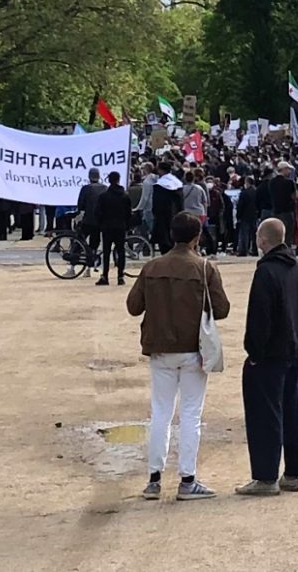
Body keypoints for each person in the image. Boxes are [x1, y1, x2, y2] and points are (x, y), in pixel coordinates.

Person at [126, 212, 229, 501]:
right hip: (193, 348)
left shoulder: (152, 267)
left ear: (171, 235)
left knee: (160, 412)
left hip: (160, 347)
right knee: (191, 414)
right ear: (197, 237)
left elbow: (134, 306)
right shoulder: (204, 268)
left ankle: (154, 478)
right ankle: (187, 479)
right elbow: (221, 310)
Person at [237, 217, 298, 497]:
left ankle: (266, 476)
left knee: (264, 413)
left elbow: (259, 318)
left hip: (270, 353)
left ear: (262, 240)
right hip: (294, 348)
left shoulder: (266, 272)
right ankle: (292, 472)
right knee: (292, 410)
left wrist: (254, 352)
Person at [95, 171, 132, 286]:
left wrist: (101, 224)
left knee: (106, 252)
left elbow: (98, 213)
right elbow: (128, 213)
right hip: (120, 226)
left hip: (107, 227)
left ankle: (105, 276)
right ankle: (120, 276)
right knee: (121, 251)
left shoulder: (103, 196)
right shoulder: (125, 196)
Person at [269, 162, 297, 246]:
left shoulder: (271, 182)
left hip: (275, 211)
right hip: (287, 211)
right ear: (284, 169)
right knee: (287, 235)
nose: (289, 172)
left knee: (277, 235)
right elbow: (295, 196)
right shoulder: (289, 182)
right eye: (288, 170)